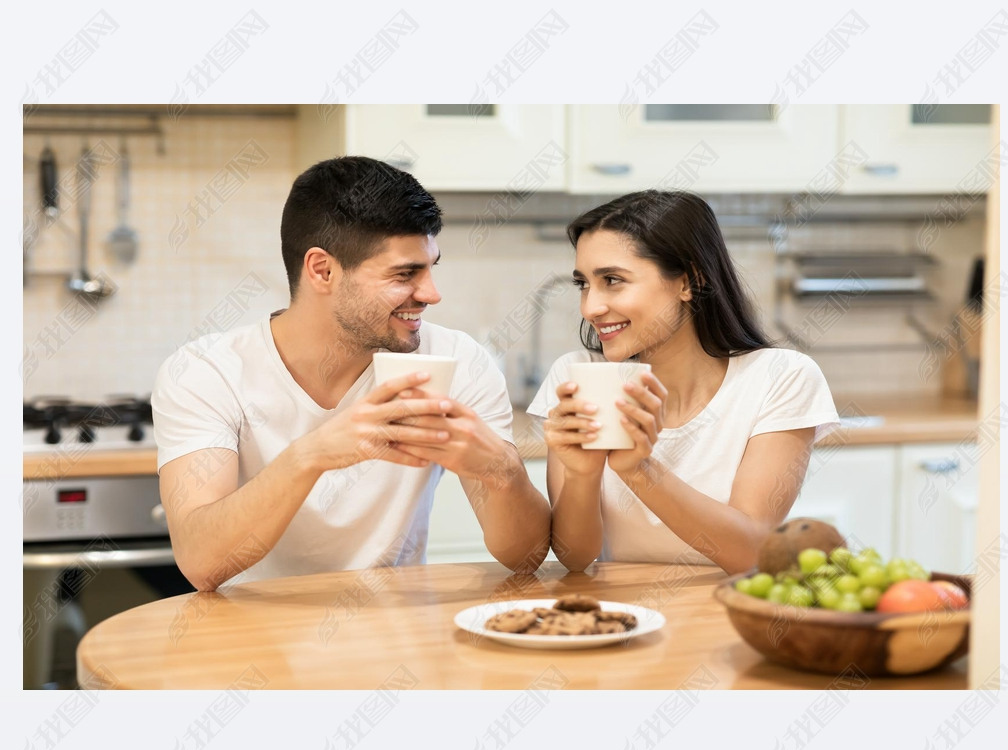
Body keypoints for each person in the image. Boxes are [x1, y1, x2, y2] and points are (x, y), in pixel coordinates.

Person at [152, 157, 550, 590]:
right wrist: (312, 455)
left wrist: (502, 471)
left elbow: (525, 558)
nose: (432, 294)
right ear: (323, 270)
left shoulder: (457, 361)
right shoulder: (207, 372)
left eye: (431, 266)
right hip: (251, 636)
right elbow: (201, 563)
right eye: (405, 274)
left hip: (396, 635)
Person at [527, 191, 840, 573]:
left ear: (689, 281)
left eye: (612, 280)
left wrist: (639, 471)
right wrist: (582, 474)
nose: (590, 307)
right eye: (583, 284)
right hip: (622, 618)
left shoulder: (781, 378)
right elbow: (575, 557)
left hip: (727, 614)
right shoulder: (578, 374)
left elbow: (752, 551)